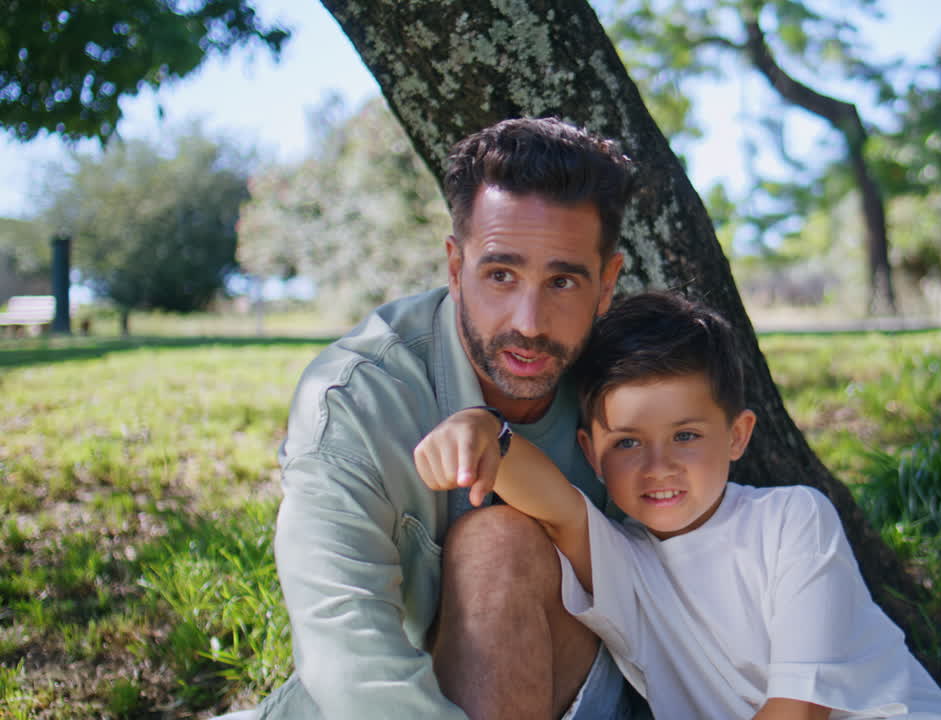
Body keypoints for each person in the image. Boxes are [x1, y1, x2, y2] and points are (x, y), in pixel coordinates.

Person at [237, 117, 647, 719]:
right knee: (497, 545)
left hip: (582, 691)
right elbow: (348, 656)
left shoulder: (639, 392)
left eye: (563, 281)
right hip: (392, 703)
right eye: (500, 275)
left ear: (607, 284)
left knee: (500, 545)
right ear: (455, 268)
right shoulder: (356, 399)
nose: (529, 322)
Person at [416, 292, 941, 720]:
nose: (657, 466)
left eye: (686, 436)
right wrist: (484, 428)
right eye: (628, 443)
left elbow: (799, 711)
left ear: (737, 436)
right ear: (591, 453)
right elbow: (557, 504)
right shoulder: (627, 565)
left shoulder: (791, 520)